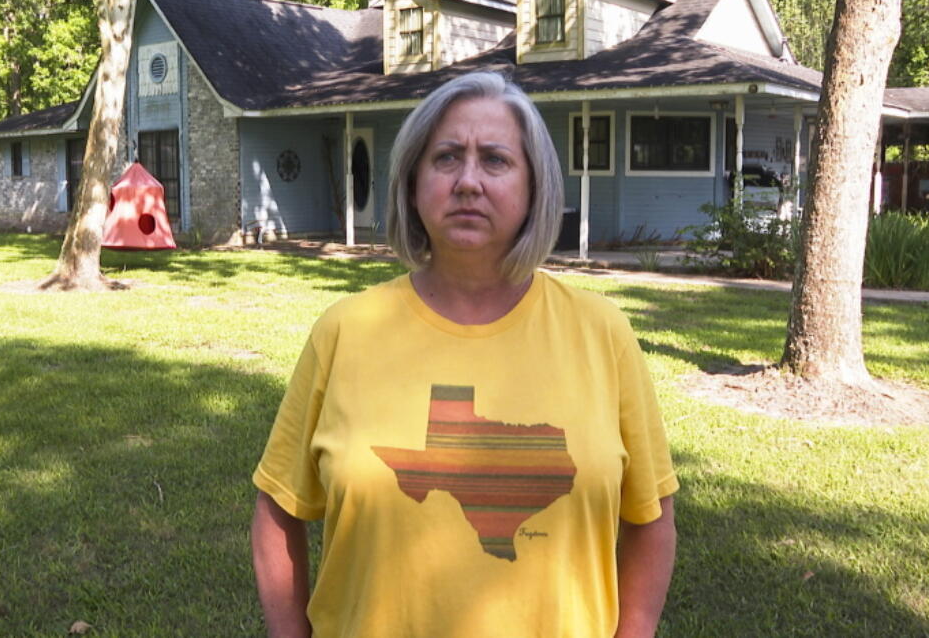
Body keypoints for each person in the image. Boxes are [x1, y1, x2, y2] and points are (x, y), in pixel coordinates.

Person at [251, 71, 678, 638]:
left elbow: (651, 518)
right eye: (446, 157)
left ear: (534, 186)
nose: (468, 181)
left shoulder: (604, 334)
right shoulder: (344, 332)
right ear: (411, 182)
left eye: (496, 160)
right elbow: (277, 509)